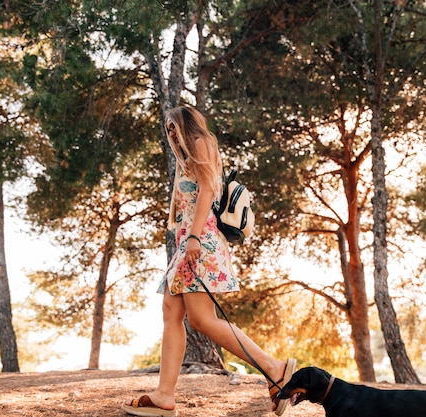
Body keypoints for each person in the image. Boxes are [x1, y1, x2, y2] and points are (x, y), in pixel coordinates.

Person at [122, 106, 296, 417]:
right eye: (167, 130)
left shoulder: (202, 142)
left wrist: (194, 238)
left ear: (186, 124)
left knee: (202, 319)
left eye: (174, 127)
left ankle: (275, 368)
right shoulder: (185, 161)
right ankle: (164, 394)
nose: (171, 134)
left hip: (199, 243)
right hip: (186, 245)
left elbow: (205, 192)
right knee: (171, 313)